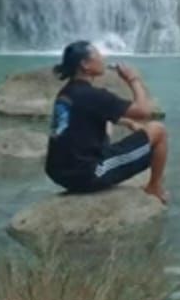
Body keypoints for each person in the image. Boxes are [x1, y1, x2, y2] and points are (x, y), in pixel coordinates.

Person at [45, 40, 169, 203]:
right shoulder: (95, 95)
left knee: (108, 125)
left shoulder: (67, 92)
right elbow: (144, 111)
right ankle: (154, 187)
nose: (104, 57)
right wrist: (133, 79)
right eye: (98, 54)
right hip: (87, 174)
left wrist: (129, 123)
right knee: (158, 131)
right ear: (85, 64)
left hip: (59, 173)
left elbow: (90, 114)